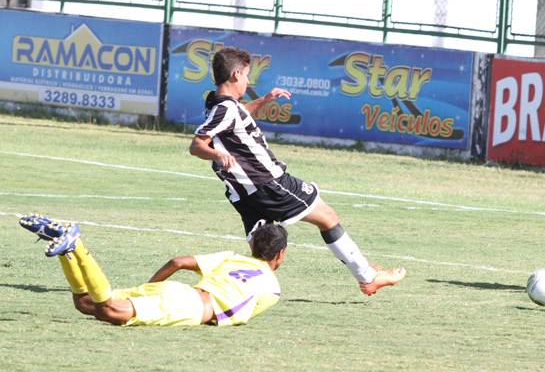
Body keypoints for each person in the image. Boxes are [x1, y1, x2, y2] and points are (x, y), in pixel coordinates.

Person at [187, 47, 406, 296]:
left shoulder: (218, 103)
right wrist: (218, 154)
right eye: (248, 75)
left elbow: (237, 116)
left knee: (264, 255)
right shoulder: (225, 109)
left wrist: (265, 100)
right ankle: (368, 277)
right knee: (327, 217)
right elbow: (197, 145)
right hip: (268, 183)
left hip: (243, 193)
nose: (249, 80)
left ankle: (225, 293)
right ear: (236, 74)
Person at [20, 214, 287, 326]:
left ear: (252, 245)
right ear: (281, 254)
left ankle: (67, 250)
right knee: (108, 311)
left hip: (177, 290)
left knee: (86, 303)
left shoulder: (233, 257)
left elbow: (179, 262)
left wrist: (150, 289)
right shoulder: (273, 288)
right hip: (189, 305)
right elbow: (240, 314)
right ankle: (76, 244)